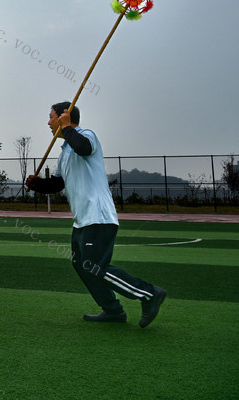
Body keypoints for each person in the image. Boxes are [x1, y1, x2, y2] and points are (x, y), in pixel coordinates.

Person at [26, 102, 167, 327]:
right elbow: (58, 183)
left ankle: (148, 294)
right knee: (82, 265)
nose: (48, 122)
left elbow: (84, 148)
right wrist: (38, 185)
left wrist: (68, 127)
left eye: (51, 117)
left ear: (63, 117)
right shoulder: (64, 152)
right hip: (82, 220)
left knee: (95, 266)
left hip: (98, 216)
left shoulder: (86, 135)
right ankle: (112, 310)